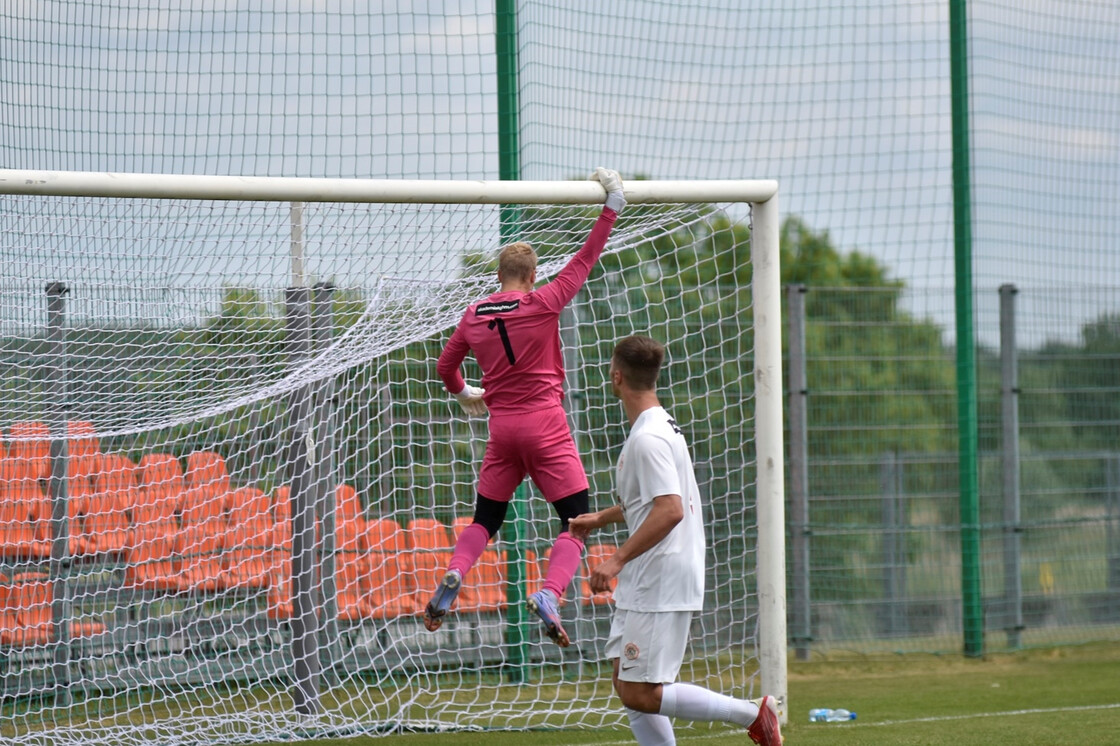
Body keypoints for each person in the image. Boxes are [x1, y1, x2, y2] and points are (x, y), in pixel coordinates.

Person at [422, 167, 627, 647]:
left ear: (497, 278)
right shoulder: (546, 300)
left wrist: (465, 394)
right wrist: (611, 204)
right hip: (546, 424)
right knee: (576, 517)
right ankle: (552, 593)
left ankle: (455, 573)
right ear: (532, 277)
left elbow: (444, 366)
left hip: (503, 429)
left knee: (485, 521)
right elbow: (585, 258)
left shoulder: (474, 314)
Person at [568, 335, 783, 746]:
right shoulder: (660, 426)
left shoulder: (648, 438)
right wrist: (602, 518)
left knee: (641, 691)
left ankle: (753, 714)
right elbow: (652, 501)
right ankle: (751, 714)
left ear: (616, 377)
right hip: (653, 574)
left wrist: (616, 560)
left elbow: (670, 509)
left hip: (660, 575)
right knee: (625, 679)